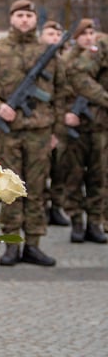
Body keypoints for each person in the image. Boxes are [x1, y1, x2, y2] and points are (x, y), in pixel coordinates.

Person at [0, 0, 67, 267]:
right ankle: (11, 246)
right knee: (8, 189)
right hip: (7, 133)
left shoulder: (48, 51)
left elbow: (62, 92)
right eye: (19, 15)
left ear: (35, 19)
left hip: (39, 131)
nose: (24, 20)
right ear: (12, 18)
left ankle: (34, 245)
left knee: (36, 190)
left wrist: (56, 130)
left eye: (29, 15)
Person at [60, 18, 107, 243]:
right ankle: (77, 221)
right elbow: (57, 93)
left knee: (98, 176)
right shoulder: (66, 61)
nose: (89, 37)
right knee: (74, 176)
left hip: (98, 126)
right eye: (84, 33)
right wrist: (65, 115)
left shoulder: (100, 59)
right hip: (74, 127)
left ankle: (95, 222)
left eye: (92, 33)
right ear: (76, 36)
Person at [40, 20, 73, 226]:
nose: (54, 38)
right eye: (50, 33)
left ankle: (56, 206)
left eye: (57, 34)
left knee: (60, 168)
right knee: (42, 171)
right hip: (40, 122)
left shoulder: (63, 60)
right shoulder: (38, 59)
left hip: (58, 122)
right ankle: (43, 207)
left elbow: (63, 94)